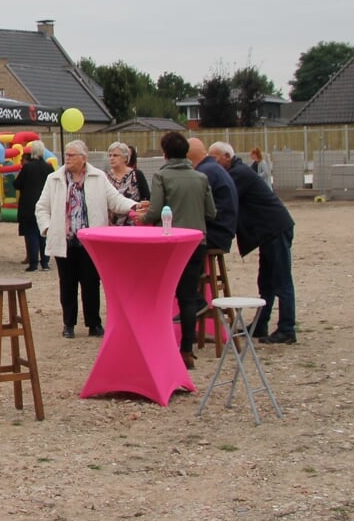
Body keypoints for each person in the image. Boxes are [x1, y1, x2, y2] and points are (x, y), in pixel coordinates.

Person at [34, 140, 139, 340]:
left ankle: (94, 323)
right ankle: (69, 324)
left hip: (90, 242)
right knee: (67, 284)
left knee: (91, 283)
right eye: (67, 154)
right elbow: (41, 206)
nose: (68, 158)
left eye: (72, 155)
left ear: (84, 158)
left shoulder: (98, 177)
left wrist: (134, 206)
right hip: (65, 240)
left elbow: (115, 200)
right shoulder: (54, 178)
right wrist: (48, 228)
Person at [139, 132, 217, 369]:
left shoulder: (162, 175)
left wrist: (143, 216)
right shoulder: (201, 177)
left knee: (163, 293)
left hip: (171, 243)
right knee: (187, 295)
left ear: (165, 153)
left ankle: (159, 344)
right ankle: (187, 350)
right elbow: (211, 212)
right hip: (196, 242)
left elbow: (154, 213)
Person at [209, 141, 298, 344]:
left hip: (274, 229)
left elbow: (222, 199)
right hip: (268, 232)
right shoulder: (238, 172)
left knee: (281, 280)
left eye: (214, 158)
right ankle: (261, 323)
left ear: (226, 157)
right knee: (265, 280)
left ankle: (287, 327)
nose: (212, 163)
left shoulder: (238, 175)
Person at [15, 142, 52, 272]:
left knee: (31, 234)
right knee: (44, 233)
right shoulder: (49, 168)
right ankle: (45, 263)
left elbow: (17, 184)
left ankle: (33, 263)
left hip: (29, 205)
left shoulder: (27, 167)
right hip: (46, 204)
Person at [104, 141, 149, 224]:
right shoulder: (104, 176)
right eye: (110, 155)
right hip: (110, 226)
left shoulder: (137, 175)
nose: (111, 158)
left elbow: (146, 198)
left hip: (132, 225)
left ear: (125, 158)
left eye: (115, 155)